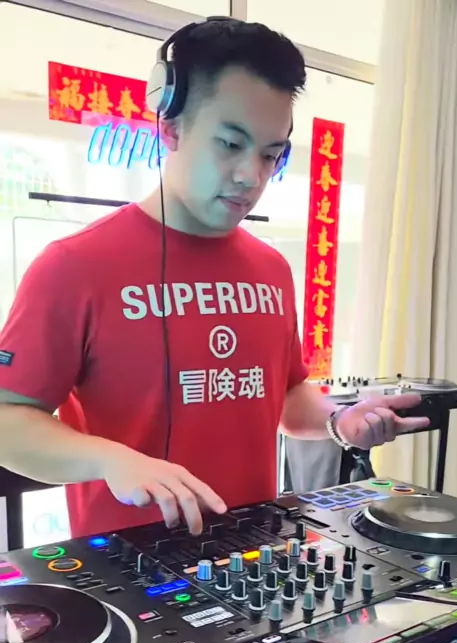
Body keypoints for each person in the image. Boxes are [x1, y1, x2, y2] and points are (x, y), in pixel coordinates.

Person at [0, 18, 428, 540]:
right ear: (171, 127)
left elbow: (287, 396)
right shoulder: (73, 266)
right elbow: (9, 421)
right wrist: (110, 459)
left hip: (256, 554)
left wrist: (340, 421)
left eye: (270, 154)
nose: (252, 176)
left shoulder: (271, 270)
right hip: (129, 564)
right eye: (229, 143)